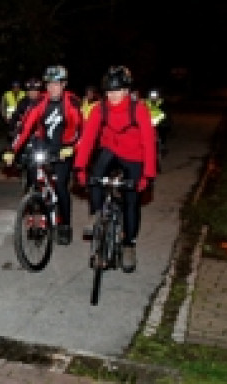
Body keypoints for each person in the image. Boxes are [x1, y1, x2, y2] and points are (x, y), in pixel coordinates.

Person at [73, 66, 157, 273]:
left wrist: (148, 174)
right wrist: (79, 167)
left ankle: (129, 244)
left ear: (127, 90)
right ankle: (97, 215)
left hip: (134, 155)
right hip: (110, 149)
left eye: (118, 91)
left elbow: (148, 142)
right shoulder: (99, 109)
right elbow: (88, 139)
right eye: (109, 92)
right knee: (96, 178)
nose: (113, 96)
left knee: (131, 200)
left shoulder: (138, 109)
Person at [8, 65, 83, 245]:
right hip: (43, 145)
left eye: (56, 84)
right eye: (49, 84)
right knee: (34, 181)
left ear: (63, 84)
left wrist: (73, 147)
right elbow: (26, 128)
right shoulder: (40, 103)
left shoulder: (72, 104)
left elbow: (82, 132)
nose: (52, 88)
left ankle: (65, 225)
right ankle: (37, 217)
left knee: (61, 187)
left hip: (64, 148)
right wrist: (12, 150)